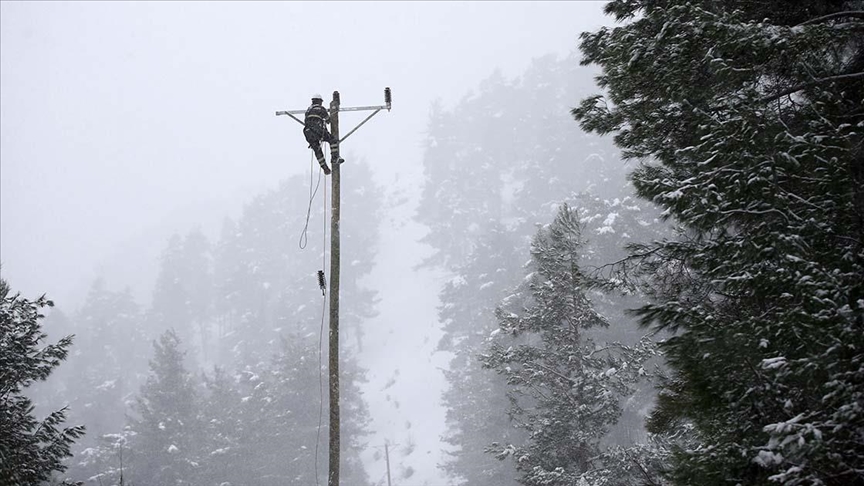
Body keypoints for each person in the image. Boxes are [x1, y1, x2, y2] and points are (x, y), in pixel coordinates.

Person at [304, 94, 333, 175]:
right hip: (317, 129)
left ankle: (325, 168)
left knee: (317, 150)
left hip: (307, 132)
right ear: (320, 101)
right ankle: (335, 158)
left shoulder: (308, 110)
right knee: (333, 140)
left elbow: (306, 121)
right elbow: (328, 120)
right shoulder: (320, 109)